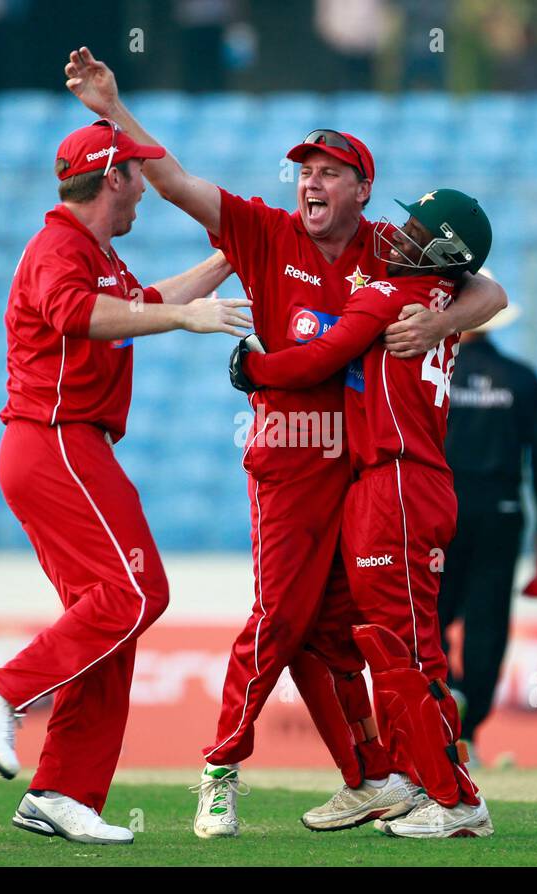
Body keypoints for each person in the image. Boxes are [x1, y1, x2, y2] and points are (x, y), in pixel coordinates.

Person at [65, 46, 509, 837]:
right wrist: (113, 109)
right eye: (304, 169)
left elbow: (488, 287)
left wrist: (439, 322)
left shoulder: (387, 250)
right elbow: (173, 183)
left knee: (344, 636)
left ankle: (388, 779)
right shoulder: (265, 232)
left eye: (330, 171)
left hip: (373, 471)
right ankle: (222, 768)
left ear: (362, 190)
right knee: (280, 622)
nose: (310, 181)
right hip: (293, 461)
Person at [0, 119, 253, 845]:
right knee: (137, 594)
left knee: (111, 618)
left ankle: (61, 792)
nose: (146, 190)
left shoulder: (96, 253)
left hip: (66, 446)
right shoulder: (61, 246)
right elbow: (77, 315)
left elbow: (136, 298)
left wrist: (221, 265)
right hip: (55, 441)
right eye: (138, 176)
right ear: (112, 177)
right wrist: (184, 316)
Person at [229, 188, 496, 838]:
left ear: (443, 250)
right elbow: (490, 290)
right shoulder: (442, 305)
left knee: (407, 649)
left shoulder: (386, 294)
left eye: (416, 230)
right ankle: (414, 778)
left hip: (396, 479)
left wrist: (253, 369)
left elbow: (320, 357)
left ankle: (457, 800)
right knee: (393, 642)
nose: (400, 236)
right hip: (405, 479)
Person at [438, 300, 537, 767]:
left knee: (430, 614)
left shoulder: (433, 372)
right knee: (488, 623)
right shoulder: (522, 378)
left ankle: (447, 700)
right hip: (502, 512)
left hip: (439, 510)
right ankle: (469, 726)